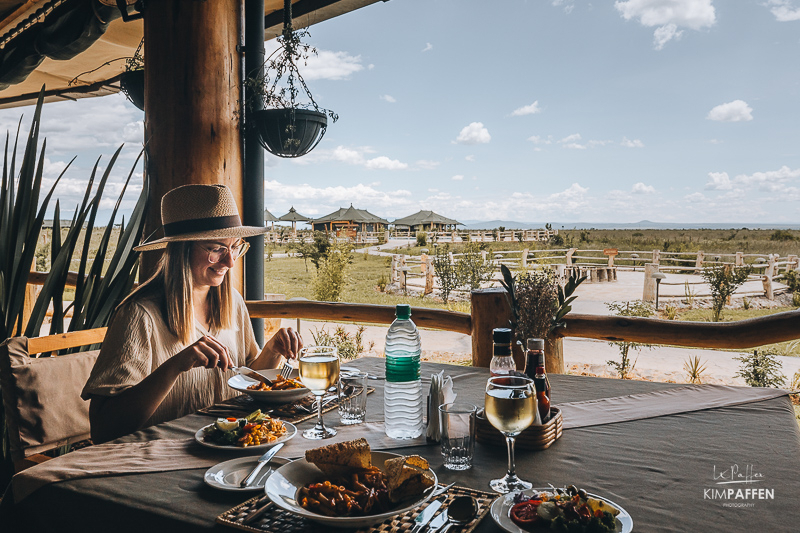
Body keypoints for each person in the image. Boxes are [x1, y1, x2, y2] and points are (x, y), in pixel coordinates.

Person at [82, 184, 302, 443]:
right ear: (181, 249)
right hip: (158, 458)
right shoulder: (139, 315)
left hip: (227, 448)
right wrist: (175, 366)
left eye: (235, 247)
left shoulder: (232, 302)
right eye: (216, 249)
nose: (230, 262)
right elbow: (104, 429)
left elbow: (247, 379)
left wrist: (272, 350)